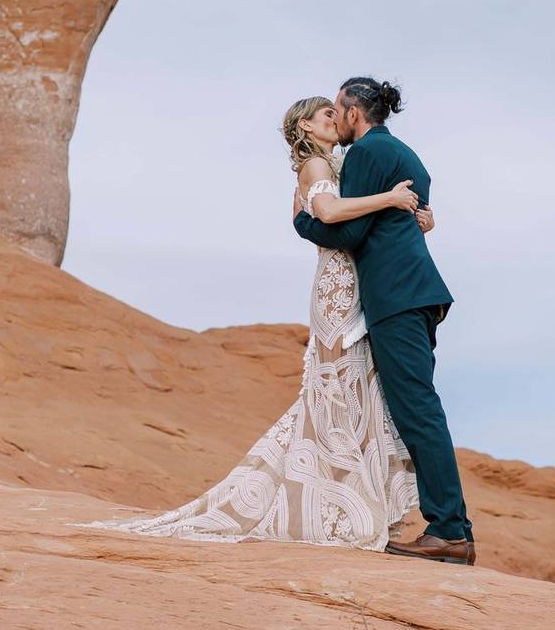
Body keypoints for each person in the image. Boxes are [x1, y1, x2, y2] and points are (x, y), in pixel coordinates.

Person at [67, 95, 437, 554]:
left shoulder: (337, 169)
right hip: (338, 293)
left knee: (358, 391)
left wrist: (411, 215)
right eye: (326, 114)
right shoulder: (316, 170)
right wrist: (392, 198)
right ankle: (340, 506)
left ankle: (349, 503)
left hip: (358, 287)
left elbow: (340, 220)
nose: (334, 119)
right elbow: (328, 214)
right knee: (341, 391)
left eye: (335, 111)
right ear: (305, 126)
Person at [293, 77, 474, 565]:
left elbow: (349, 232)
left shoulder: (366, 155)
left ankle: (450, 531)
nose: (335, 117)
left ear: (354, 112)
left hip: (396, 295)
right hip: (416, 291)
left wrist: (303, 222)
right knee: (415, 407)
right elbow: (416, 213)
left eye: (337, 109)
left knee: (417, 408)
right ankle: (447, 524)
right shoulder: (405, 153)